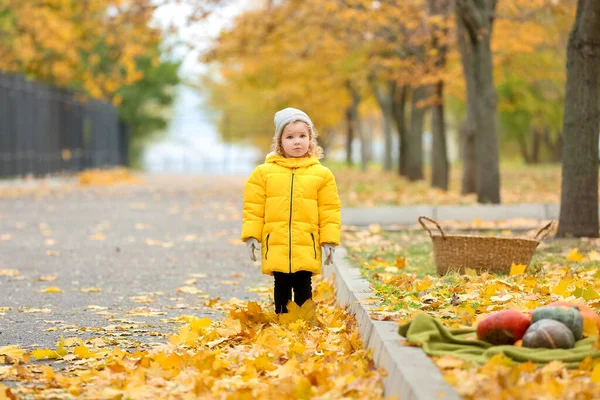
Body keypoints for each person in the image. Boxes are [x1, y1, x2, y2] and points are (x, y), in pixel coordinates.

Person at [241, 107, 341, 314]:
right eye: (290, 137)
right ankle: (282, 320)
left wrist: (329, 240)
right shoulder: (263, 173)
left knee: (304, 284)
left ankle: (304, 321)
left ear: (311, 140)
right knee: (282, 284)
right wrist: (252, 235)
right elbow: (253, 207)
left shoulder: (322, 175)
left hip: (307, 240)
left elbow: (329, 209)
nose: (297, 141)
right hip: (276, 240)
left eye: (302, 136)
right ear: (279, 142)